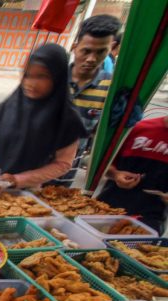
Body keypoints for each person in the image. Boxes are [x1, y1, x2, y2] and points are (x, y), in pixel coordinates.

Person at [0, 44, 87, 191]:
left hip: (26, 195)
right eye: (27, 75)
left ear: (58, 78)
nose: (31, 83)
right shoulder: (7, 108)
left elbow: (63, 164)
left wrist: (18, 180)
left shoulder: (66, 118)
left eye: (42, 76)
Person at [51, 14, 121, 186]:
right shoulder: (50, 80)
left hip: (66, 173)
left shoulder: (110, 89)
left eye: (100, 52)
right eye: (86, 51)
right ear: (75, 47)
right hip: (31, 167)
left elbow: (99, 138)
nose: (92, 59)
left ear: (110, 48)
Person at [97, 116, 168, 232]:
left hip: (151, 217)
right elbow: (103, 164)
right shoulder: (138, 128)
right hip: (107, 206)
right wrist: (115, 174)